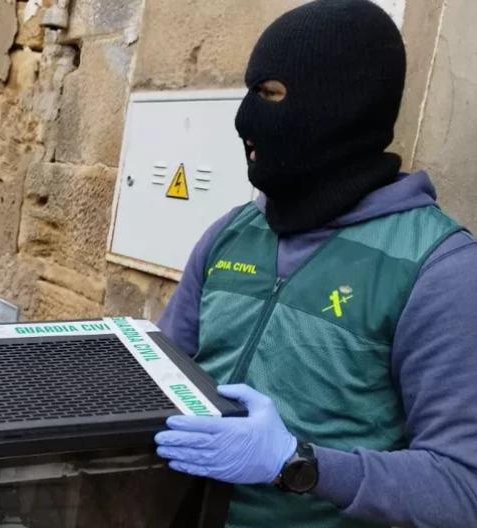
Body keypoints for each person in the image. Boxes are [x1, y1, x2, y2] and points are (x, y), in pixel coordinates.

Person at [152, 1, 477, 527]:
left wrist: (295, 464)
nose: (245, 120)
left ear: (340, 108)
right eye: (249, 92)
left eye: (271, 94)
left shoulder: (439, 271)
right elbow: (161, 376)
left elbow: (463, 489)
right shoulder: (230, 234)